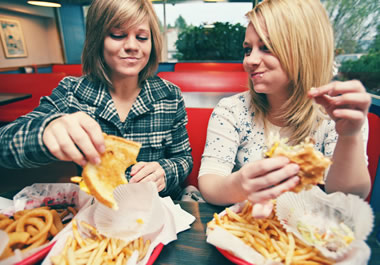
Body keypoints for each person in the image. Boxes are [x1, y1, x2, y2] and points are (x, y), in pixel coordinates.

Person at [0, 0, 193, 200]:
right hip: (96, 209)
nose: (132, 46)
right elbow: (4, 144)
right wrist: (45, 132)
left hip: (159, 207)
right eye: (118, 35)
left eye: (142, 37)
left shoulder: (170, 95)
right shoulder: (71, 92)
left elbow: (183, 158)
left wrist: (165, 170)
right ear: (97, 39)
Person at [198, 0, 371, 212]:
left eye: (266, 48)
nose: (250, 60)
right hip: (247, 228)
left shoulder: (338, 114)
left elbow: (348, 197)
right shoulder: (232, 110)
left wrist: (349, 137)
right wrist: (239, 185)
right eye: (247, 49)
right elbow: (209, 183)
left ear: (306, 51)